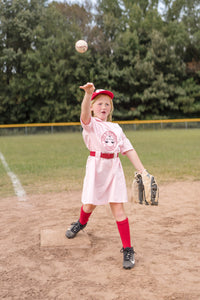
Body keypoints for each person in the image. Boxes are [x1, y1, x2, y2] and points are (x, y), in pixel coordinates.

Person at [66, 82, 146, 270]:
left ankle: (128, 249)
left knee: (118, 209)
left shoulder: (117, 128)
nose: (104, 107)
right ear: (93, 107)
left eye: (107, 104)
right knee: (89, 204)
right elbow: (84, 115)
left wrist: (142, 171)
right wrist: (88, 95)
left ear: (111, 108)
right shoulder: (91, 124)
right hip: (96, 168)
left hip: (114, 168)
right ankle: (80, 223)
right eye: (99, 103)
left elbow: (129, 149)